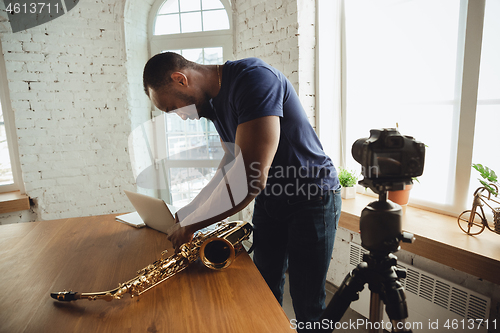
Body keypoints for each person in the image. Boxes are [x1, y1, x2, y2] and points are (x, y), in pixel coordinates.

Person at [142, 52, 342, 329]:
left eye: (173, 108)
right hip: (272, 200)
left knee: (307, 302)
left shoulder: (254, 79)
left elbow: (250, 178)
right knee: (261, 288)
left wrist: (193, 224)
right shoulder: (211, 105)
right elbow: (230, 163)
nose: (180, 116)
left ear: (181, 79)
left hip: (312, 196)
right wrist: (189, 210)